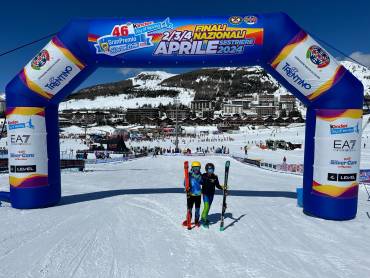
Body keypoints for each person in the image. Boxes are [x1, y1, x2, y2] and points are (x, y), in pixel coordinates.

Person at [201, 163, 223, 228]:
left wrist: (223, 187)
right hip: (205, 194)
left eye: (212, 170)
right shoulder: (203, 176)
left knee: (208, 207)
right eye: (209, 170)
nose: (211, 171)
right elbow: (200, 181)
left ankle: (203, 217)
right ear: (206, 170)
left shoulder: (215, 177)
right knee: (207, 206)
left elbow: (217, 185)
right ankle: (204, 221)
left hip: (211, 194)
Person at [183, 161, 202, 228]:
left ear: (200, 168)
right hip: (190, 195)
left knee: (197, 209)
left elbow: (203, 182)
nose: (196, 170)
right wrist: (187, 186)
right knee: (189, 208)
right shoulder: (189, 175)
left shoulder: (200, 176)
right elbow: (185, 183)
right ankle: (188, 219)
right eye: (195, 168)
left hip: (198, 195)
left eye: (198, 168)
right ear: (192, 168)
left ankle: (196, 221)